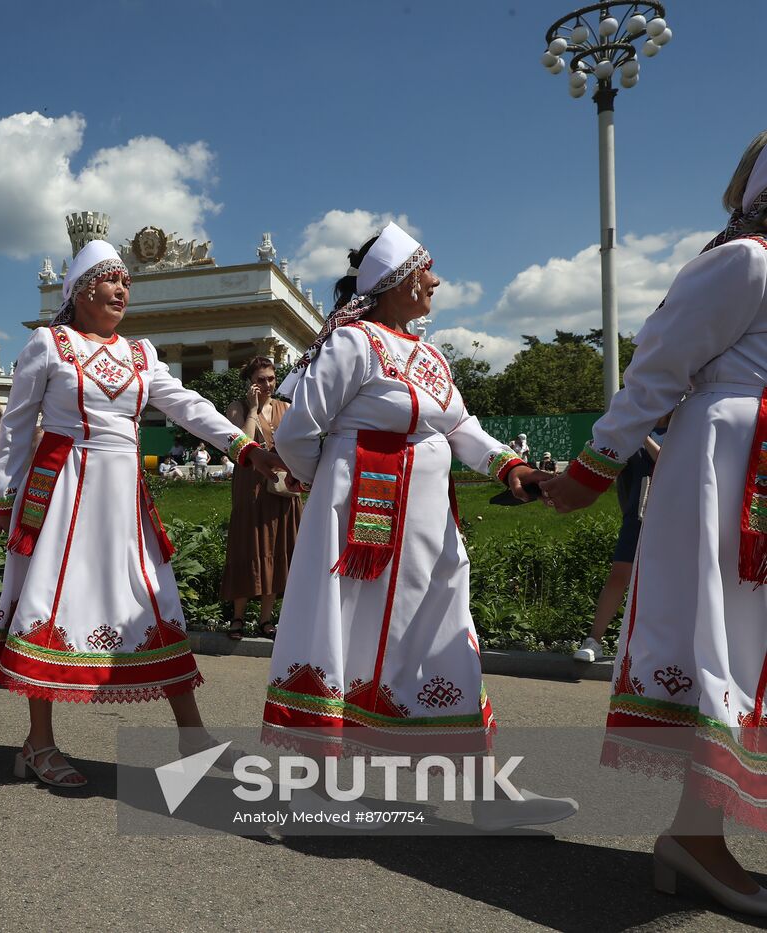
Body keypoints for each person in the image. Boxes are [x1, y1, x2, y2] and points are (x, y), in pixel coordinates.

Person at [266, 222, 575, 830]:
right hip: (361, 527)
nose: (436, 280)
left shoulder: (430, 355)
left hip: (430, 527)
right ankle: (308, 785)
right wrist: (329, 489)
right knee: (342, 630)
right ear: (400, 281)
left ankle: (485, 794)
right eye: (426, 270)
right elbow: (297, 433)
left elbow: (461, 429)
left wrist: (509, 465)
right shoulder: (353, 343)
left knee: (447, 632)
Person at [541, 131, 767, 914]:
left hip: (753, 463)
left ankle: (699, 833)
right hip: (729, 466)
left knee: (750, 647)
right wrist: (591, 469)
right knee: (726, 640)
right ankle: (697, 838)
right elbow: (656, 369)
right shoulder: (746, 261)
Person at [0, 238, 287, 787]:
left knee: (153, 597)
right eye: (111, 280)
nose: (122, 289)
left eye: (127, 282)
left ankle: (192, 735)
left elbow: (186, 405)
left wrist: (244, 450)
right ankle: (38, 742)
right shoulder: (48, 346)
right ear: (81, 290)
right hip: (64, 491)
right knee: (50, 600)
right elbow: (15, 428)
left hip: (124, 494)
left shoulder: (141, 353)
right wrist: (6, 499)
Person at [572, 416, 668, 662]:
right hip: (638, 517)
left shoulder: (685, 429)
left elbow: (665, 460)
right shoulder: (633, 435)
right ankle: (594, 640)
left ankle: (667, 645)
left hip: (676, 519)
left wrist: (642, 435)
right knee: (619, 576)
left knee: (670, 583)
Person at [221, 356, 302, 640]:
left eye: (270, 378)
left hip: (281, 485)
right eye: (260, 380)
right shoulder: (238, 408)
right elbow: (241, 443)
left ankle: (266, 620)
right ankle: (238, 617)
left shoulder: (286, 408)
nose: (267, 384)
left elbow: (299, 443)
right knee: (248, 547)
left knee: (277, 549)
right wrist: (253, 410)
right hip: (251, 488)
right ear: (250, 382)